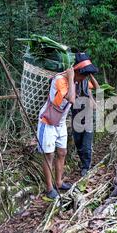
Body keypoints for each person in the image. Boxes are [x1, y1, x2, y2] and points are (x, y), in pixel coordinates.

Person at [37, 67, 76, 200]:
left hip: (60, 123)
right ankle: (49, 188)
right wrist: (71, 77)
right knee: (49, 155)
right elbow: (71, 99)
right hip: (47, 122)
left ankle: (59, 182)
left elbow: (93, 86)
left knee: (62, 152)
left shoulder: (74, 81)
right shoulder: (60, 80)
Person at [70, 52, 100, 177]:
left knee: (86, 144)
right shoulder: (71, 82)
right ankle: (83, 162)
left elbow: (98, 88)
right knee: (78, 142)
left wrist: (90, 74)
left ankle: (85, 167)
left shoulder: (85, 82)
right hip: (76, 116)